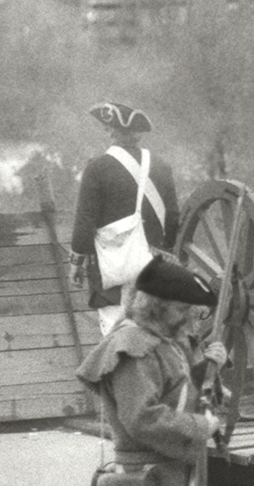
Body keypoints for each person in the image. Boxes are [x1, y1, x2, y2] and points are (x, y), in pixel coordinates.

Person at [75, 255, 224, 486]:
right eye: (182, 309)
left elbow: (178, 390)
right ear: (156, 306)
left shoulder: (162, 338)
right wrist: (200, 426)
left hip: (174, 474)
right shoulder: (134, 346)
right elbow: (141, 417)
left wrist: (211, 367)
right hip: (156, 478)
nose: (189, 318)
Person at [70, 101, 179, 336]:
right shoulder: (161, 166)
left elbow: (84, 223)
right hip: (155, 265)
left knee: (117, 336)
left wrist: (76, 262)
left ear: (110, 131)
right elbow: (172, 218)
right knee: (155, 336)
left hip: (115, 269)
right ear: (138, 134)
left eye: (106, 128)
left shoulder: (96, 169)